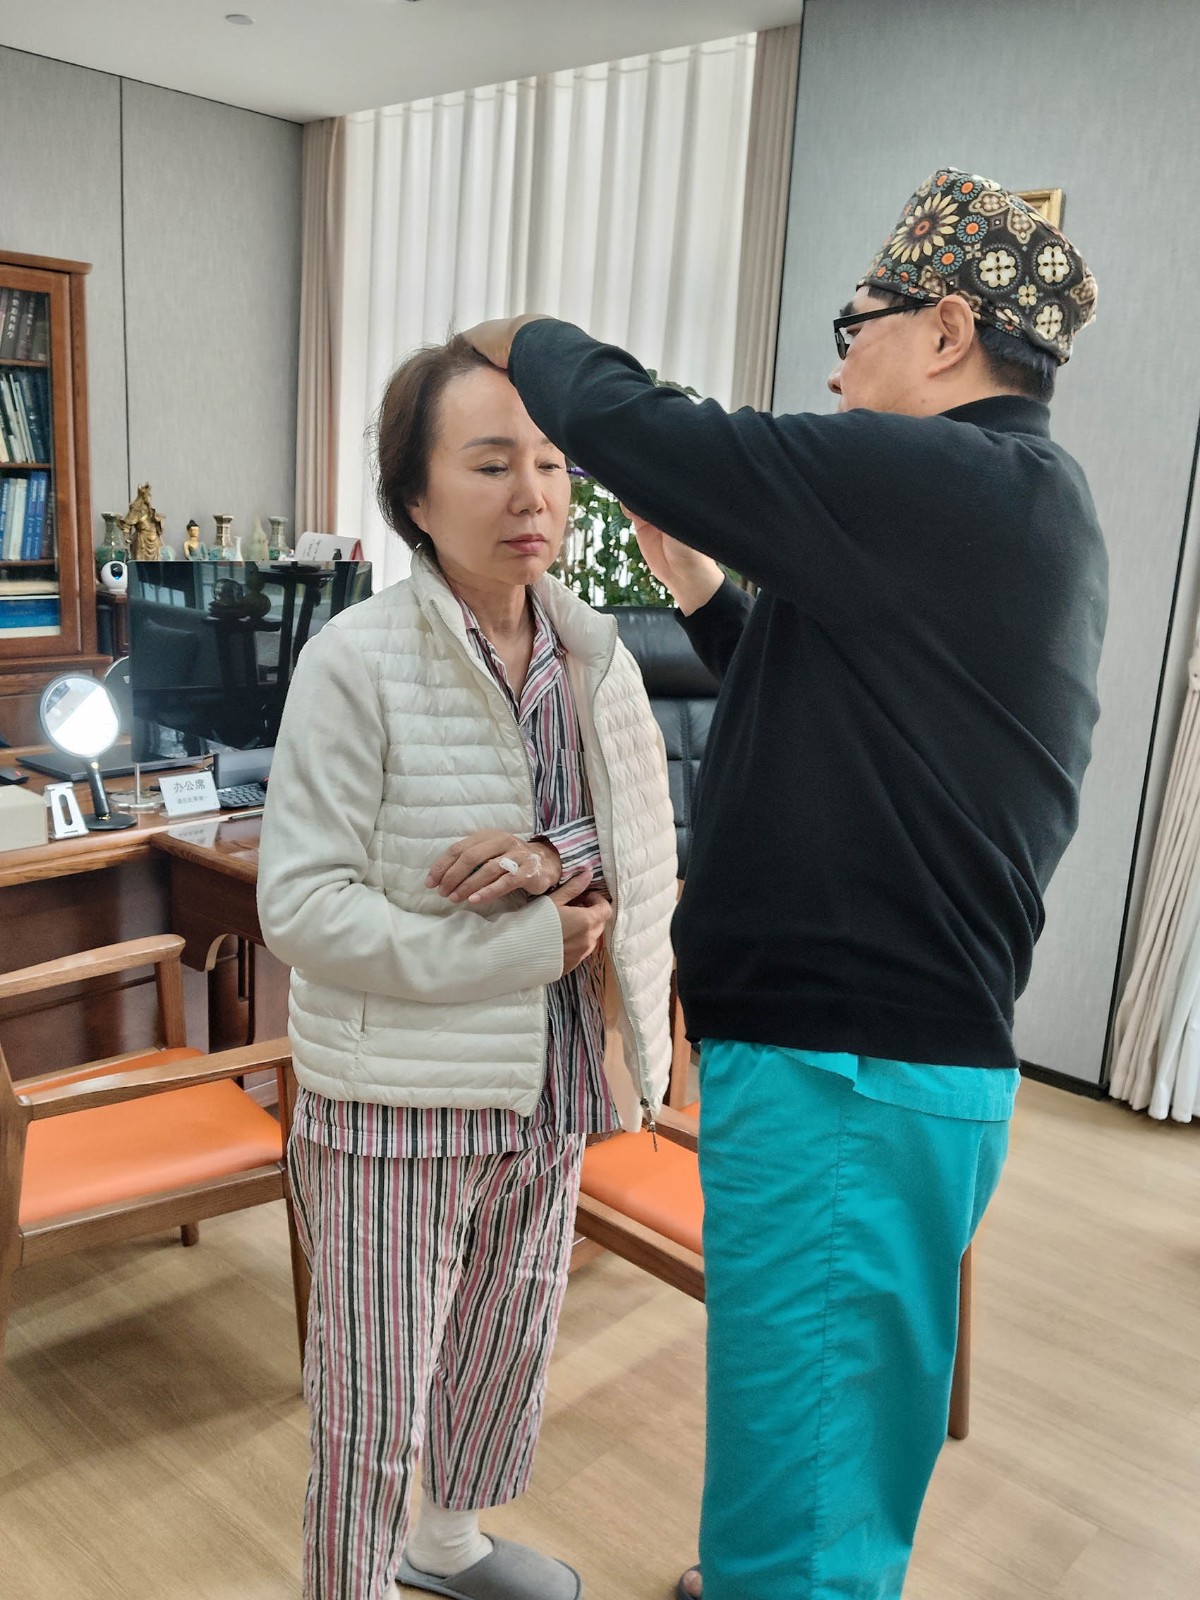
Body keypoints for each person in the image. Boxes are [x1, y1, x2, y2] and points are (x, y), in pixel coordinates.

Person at [463, 168, 1107, 1600]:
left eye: (852, 325)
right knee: (818, 1433)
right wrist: (704, 592)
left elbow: (656, 430)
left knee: (810, 1467)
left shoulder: (949, 477)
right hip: (864, 1073)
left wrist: (519, 338)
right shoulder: (1012, 509)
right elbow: (846, 720)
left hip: (850, 1079)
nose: (834, 365)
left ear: (947, 329)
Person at [256, 336, 677, 1600]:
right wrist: (525, 941)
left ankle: (445, 1545)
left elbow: (640, 833)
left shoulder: (595, 653)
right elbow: (302, 909)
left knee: (503, 1343)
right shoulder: (355, 661)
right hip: (396, 1098)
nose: (532, 494)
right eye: (491, 463)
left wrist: (555, 856)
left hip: (552, 1074)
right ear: (416, 497)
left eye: (550, 462)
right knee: (371, 1393)